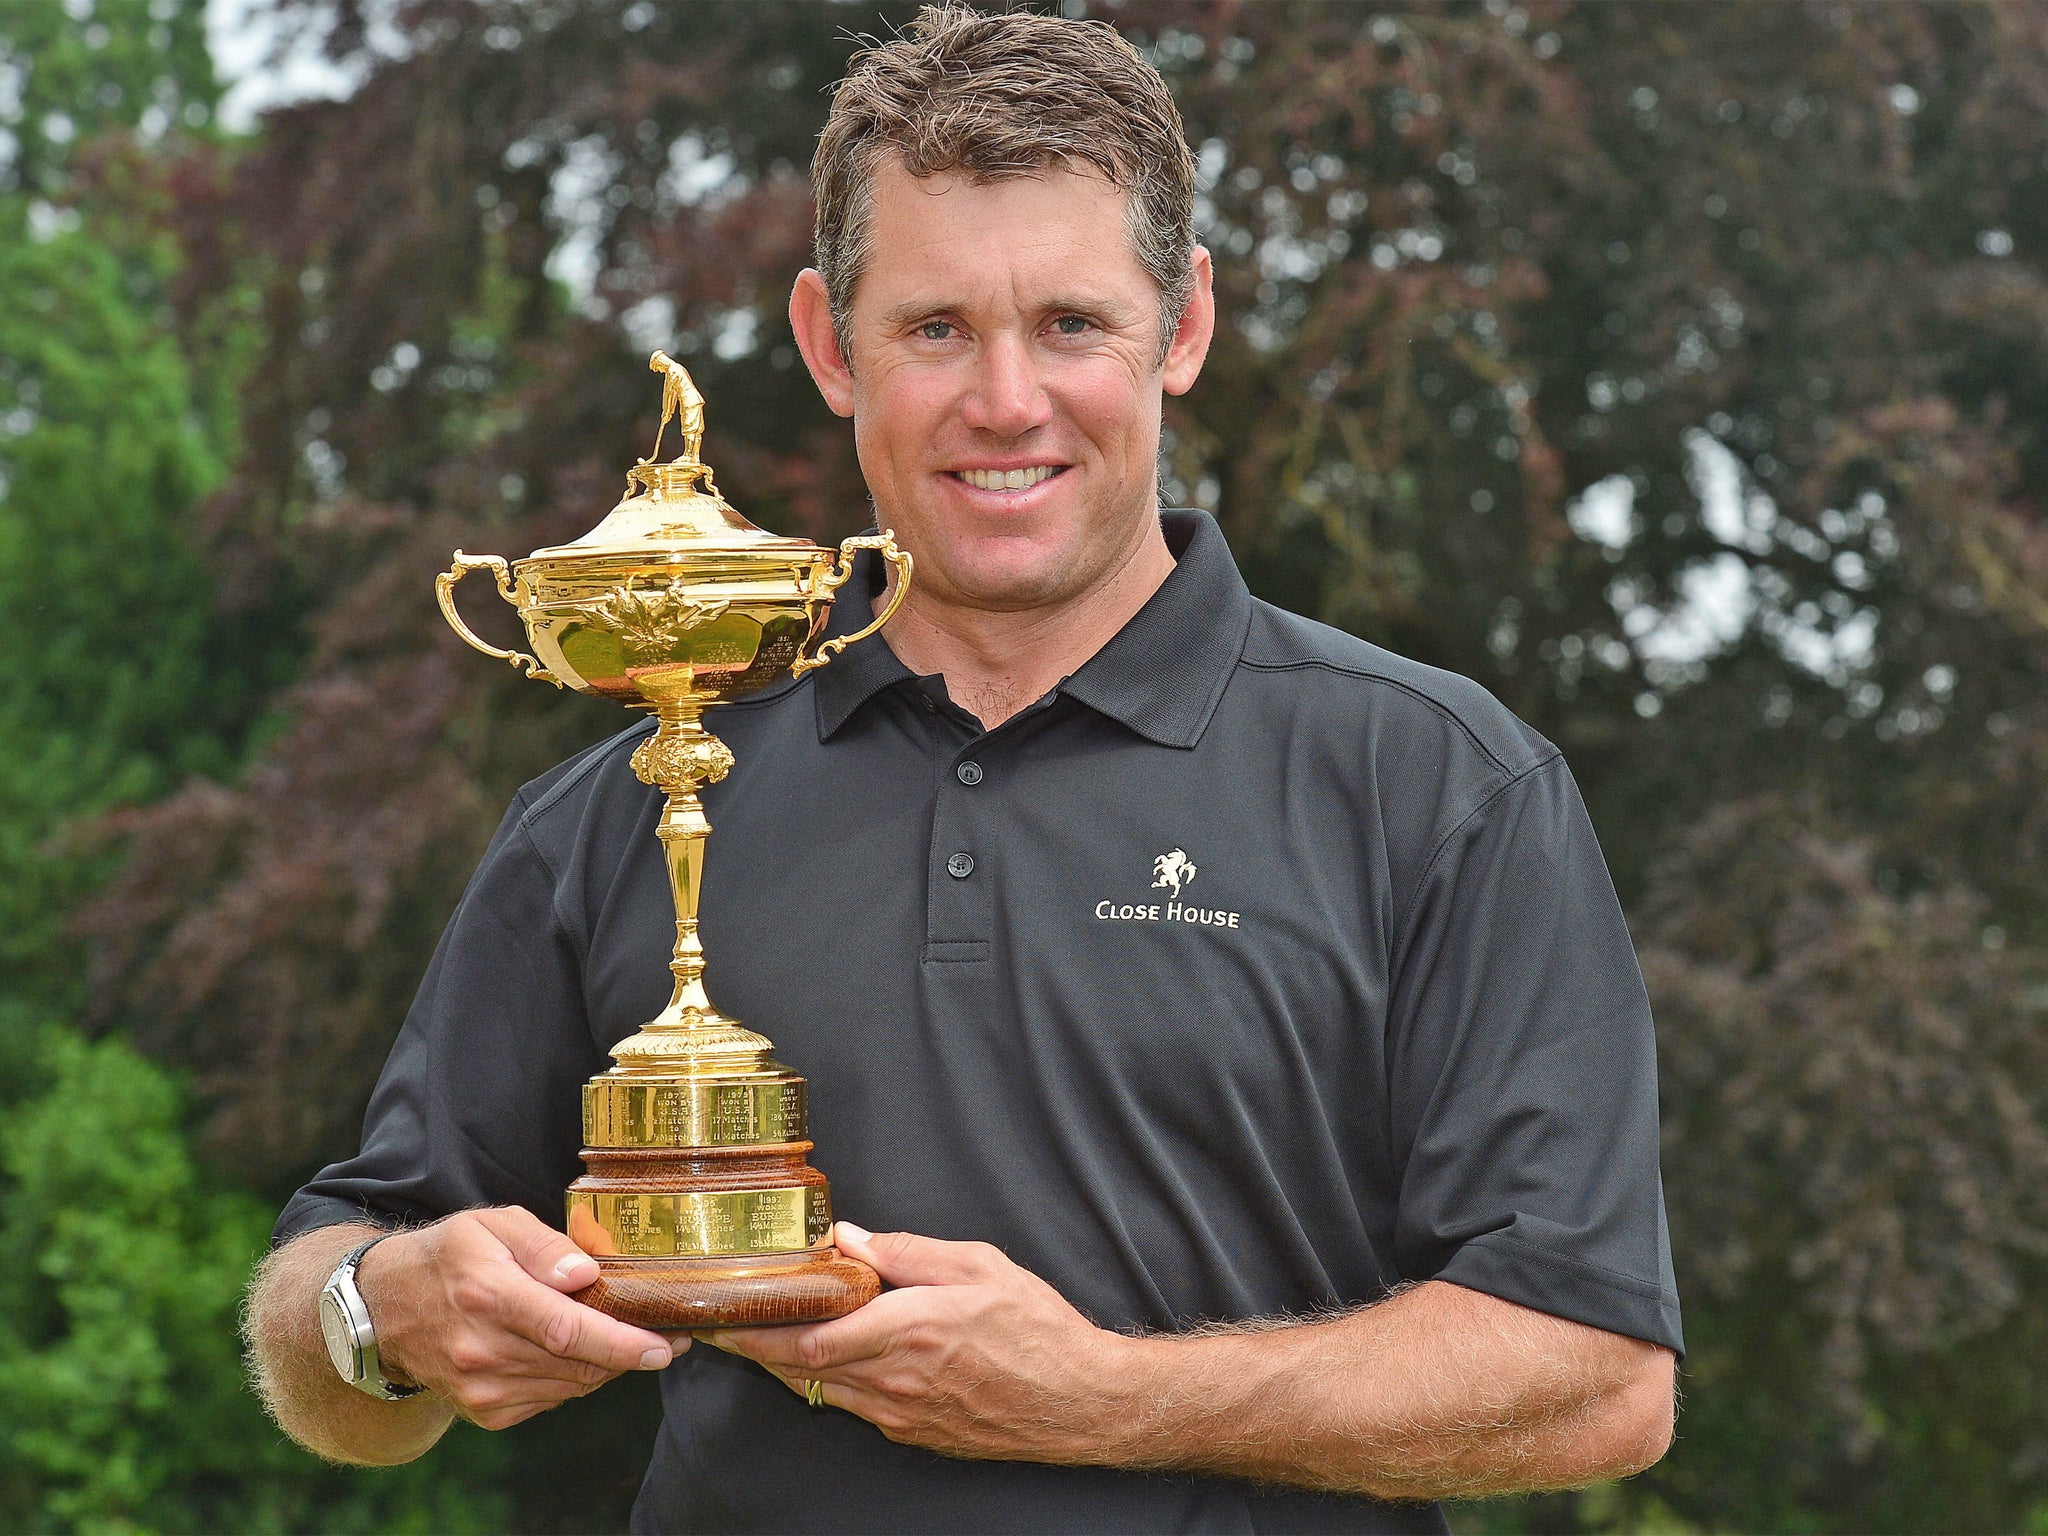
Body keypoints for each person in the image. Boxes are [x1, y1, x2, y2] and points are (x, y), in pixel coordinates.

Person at [246, 7, 1681, 1531]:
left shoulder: (1435, 788)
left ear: (1182, 325)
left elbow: (1597, 1373)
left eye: (1072, 324)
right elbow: (326, 1344)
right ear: (829, 343)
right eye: (935, 328)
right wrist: (378, 1311)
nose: (1006, 401)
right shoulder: (629, 804)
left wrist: (1107, 1404)